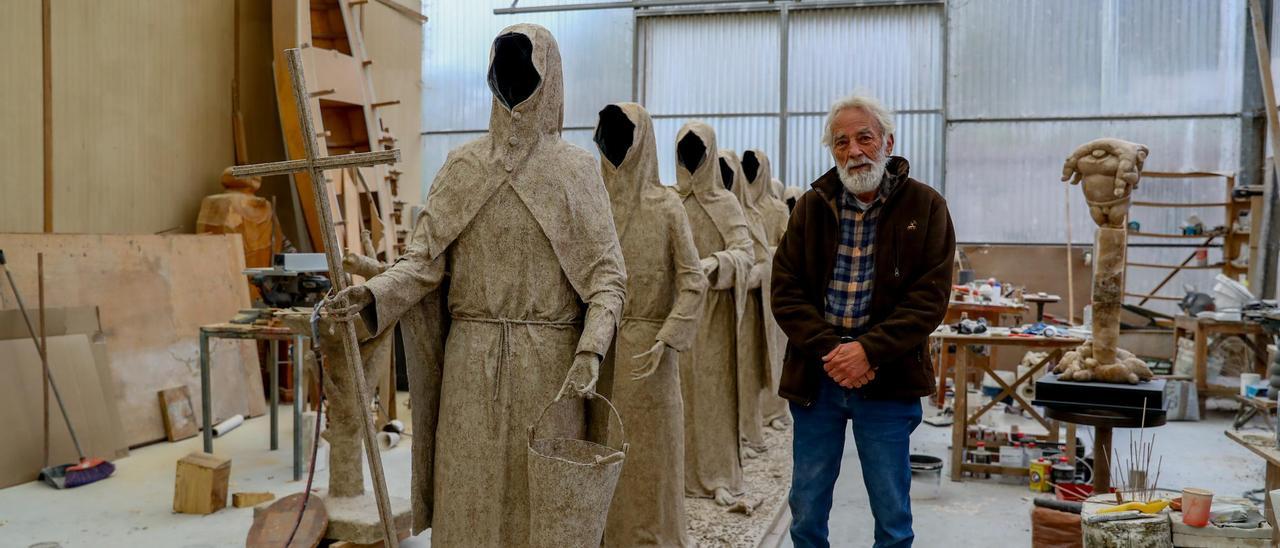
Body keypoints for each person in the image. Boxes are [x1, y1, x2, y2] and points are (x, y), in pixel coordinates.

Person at [324, 24, 627, 545]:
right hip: (470, 364)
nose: (512, 79)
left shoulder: (575, 172)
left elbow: (608, 279)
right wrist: (373, 294)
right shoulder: (464, 165)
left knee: (542, 509)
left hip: (549, 369)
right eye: (503, 67)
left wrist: (591, 352)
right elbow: (421, 262)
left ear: (549, 79)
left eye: (526, 68)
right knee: (468, 496)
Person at [771, 94, 955, 548]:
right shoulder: (811, 207)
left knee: (893, 515)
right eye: (841, 142)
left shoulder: (926, 207)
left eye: (864, 138)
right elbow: (785, 289)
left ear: (888, 141)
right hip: (819, 374)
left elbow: (929, 298)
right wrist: (834, 352)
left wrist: (868, 351)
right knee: (807, 510)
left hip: (888, 378)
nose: (853, 151)